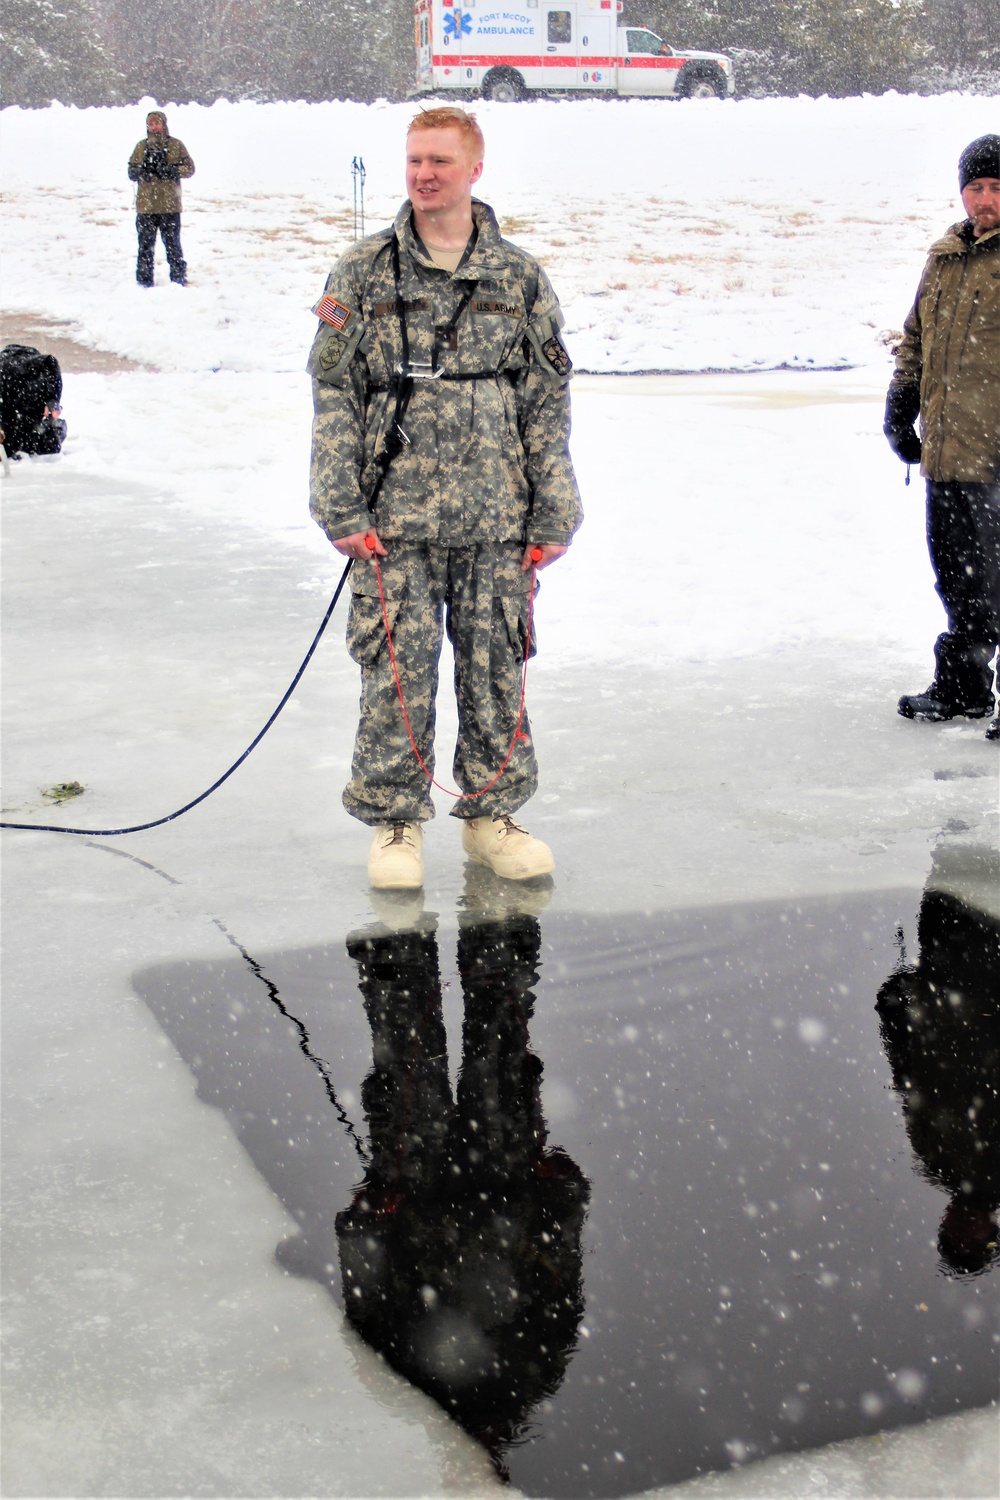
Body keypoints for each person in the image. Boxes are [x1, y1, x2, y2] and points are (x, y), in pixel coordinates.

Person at [308, 107, 583, 889]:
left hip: (497, 514)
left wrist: (553, 506)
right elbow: (333, 391)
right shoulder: (361, 273)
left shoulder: (519, 277)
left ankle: (491, 814)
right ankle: (396, 820)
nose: (424, 174)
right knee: (397, 666)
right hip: (393, 517)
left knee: (497, 664)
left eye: (439, 160)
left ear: (474, 169)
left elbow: (546, 398)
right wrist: (339, 505)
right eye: (414, 160)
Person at [884, 133, 1000, 742]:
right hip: (949, 451)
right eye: (976, 187)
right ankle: (963, 689)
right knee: (958, 575)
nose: (984, 200)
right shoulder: (946, 256)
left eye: (997, 189)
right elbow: (916, 340)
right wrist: (901, 407)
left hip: (997, 454)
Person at [127, 110, 195, 287]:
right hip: (146, 207)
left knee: (173, 246)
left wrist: (172, 170)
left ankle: (178, 280)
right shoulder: (141, 147)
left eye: (157, 123)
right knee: (145, 247)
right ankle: (144, 281)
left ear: (164, 124)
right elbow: (131, 171)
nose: (154, 127)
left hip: (169, 206)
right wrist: (143, 173)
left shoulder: (175, 145)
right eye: (151, 123)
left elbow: (189, 168)